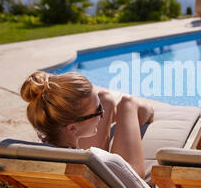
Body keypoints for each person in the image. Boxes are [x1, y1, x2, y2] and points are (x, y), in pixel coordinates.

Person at [20, 71, 154, 179]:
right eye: (99, 111)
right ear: (72, 128)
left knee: (105, 97)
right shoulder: (111, 163)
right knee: (127, 102)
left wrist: (96, 110)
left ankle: (105, 105)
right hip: (119, 177)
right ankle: (141, 110)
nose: (102, 113)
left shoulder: (25, 158)